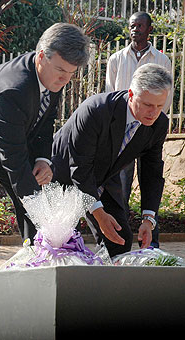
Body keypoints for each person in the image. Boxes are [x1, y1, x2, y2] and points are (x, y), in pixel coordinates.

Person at [0, 23, 90, 245]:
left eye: (71, 73)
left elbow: (46, 120)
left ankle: (40, 257)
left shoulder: (52, 76)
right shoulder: (11, 89)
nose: (65, 79)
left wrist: (42, 159)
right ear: (41, 57)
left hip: (7, 143)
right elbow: (13, 156)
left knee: (40, 211)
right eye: (61, 71)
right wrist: (38, 208)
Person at [51, 63, 172, 257]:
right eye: (148, 104)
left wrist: (148, 220)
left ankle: (104, 283)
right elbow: (80, 168)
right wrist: (99, 214)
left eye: (160, 106)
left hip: (105, 176)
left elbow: (152, 172)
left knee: (120, 239)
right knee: (58, 241)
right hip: (64, 173)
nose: (154, 113)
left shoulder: (158, 124)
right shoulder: (96, 110)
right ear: (131, 95)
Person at [106, 11, 173, 247]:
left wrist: (154, 120)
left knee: (150, 180)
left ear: (149, 29)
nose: (135, 29)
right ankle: (119, 242)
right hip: (122, 132)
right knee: (119, 188)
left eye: (140, 25)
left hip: (149, 127)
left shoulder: (162, 60)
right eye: (132, 25)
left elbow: (166, 96)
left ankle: (151, 244)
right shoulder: (116, 59)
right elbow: (109, 94)